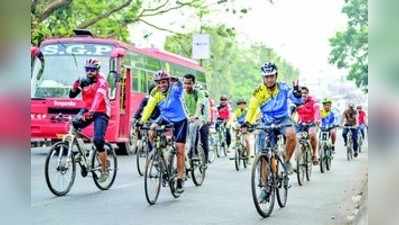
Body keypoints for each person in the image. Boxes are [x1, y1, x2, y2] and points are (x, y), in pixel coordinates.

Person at [242, 62, 303, 174]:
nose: (269, 79)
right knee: (263, 155)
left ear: (276, 76)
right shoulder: (258, 92)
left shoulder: (283, 87)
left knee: (292, 135)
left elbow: (295, 99)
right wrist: (247, 123)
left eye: (271, 76)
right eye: (266, 77)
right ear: (263, 77)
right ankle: (265, 188)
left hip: (283, 120)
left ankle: (287, 160)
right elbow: (252, 108)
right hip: (266, 122)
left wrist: (297, 94)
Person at [139, 71, 188, 193]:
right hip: (165, 118)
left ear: (168, 82)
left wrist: (176, 80)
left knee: (179, 150)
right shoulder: (155, 92)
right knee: (151, 130)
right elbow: (149, 108)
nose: (162, 85)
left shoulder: (174, 89)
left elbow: (181, 86)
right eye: (159, 83)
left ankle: (180, 178)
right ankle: (158, 156)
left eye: (164, 82)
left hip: (180, 120)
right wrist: (141, 121)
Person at [69, 58, 111, 183]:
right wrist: (74, 87)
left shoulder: (102, 82)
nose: (89, 72)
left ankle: (104, 169)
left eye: (92, 70)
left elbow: (98, 98)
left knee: (98, 140)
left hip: (101, 111)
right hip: (87, 109)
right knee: (74, 124)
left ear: (97, 70)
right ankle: (82, 152)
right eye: (87, 69)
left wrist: (91, 112)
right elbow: (71, 95)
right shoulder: (84, 81)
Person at [183, 74, 210, 163]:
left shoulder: (199, 93)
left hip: (201, 119)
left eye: (189, 83)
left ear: (194, 83)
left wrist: (196, 116)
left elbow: (199, 105)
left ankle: (203, 159)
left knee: (203, 139)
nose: (187, 86)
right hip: (188, 118)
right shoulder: (182, 94)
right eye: (185, 83)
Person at [295, 86, 320, 165]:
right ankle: (299, 157)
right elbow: (291, 111)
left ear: (308, 94)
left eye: (305, 93)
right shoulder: (297, 101)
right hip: (301, 124)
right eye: (301, 93)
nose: (303, 95)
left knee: (312, 135)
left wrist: (317, 119)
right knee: (295, 138)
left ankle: (314, 155)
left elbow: (317, 109)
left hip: (312, 123)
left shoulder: (313, 101)